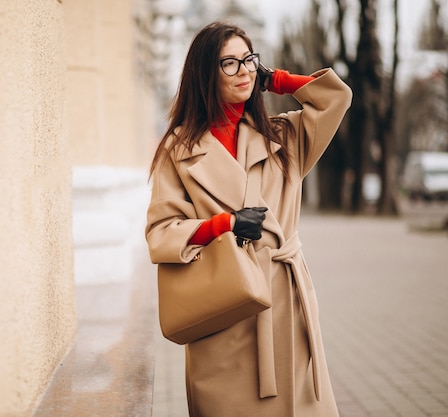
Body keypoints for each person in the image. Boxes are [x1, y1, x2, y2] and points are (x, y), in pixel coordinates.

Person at [145, 21, 352, 417]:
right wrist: (223, 225)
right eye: (229, 63)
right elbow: (161, 234)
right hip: (226, 307)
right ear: (205, 73)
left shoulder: (284, 137)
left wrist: (277, 80)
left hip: (285, 304)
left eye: (249, 60)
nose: (244, 71)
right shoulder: (179, 149)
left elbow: (336, 100)